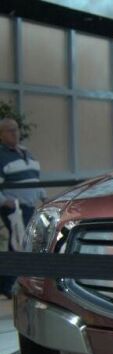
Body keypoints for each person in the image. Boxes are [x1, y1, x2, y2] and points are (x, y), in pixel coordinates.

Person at [0, 117, 46, 298]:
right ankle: (8, 284)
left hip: (30, 206)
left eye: (16, 129)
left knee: (20, 244)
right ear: (1, 134)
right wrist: (4, 201)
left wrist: (44, 196)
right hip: (14, 209)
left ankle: (6, 283)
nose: (15, 133)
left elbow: (34, 179)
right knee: (20, 244)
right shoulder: (1, 155)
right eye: (10, 130)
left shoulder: (27, 153)